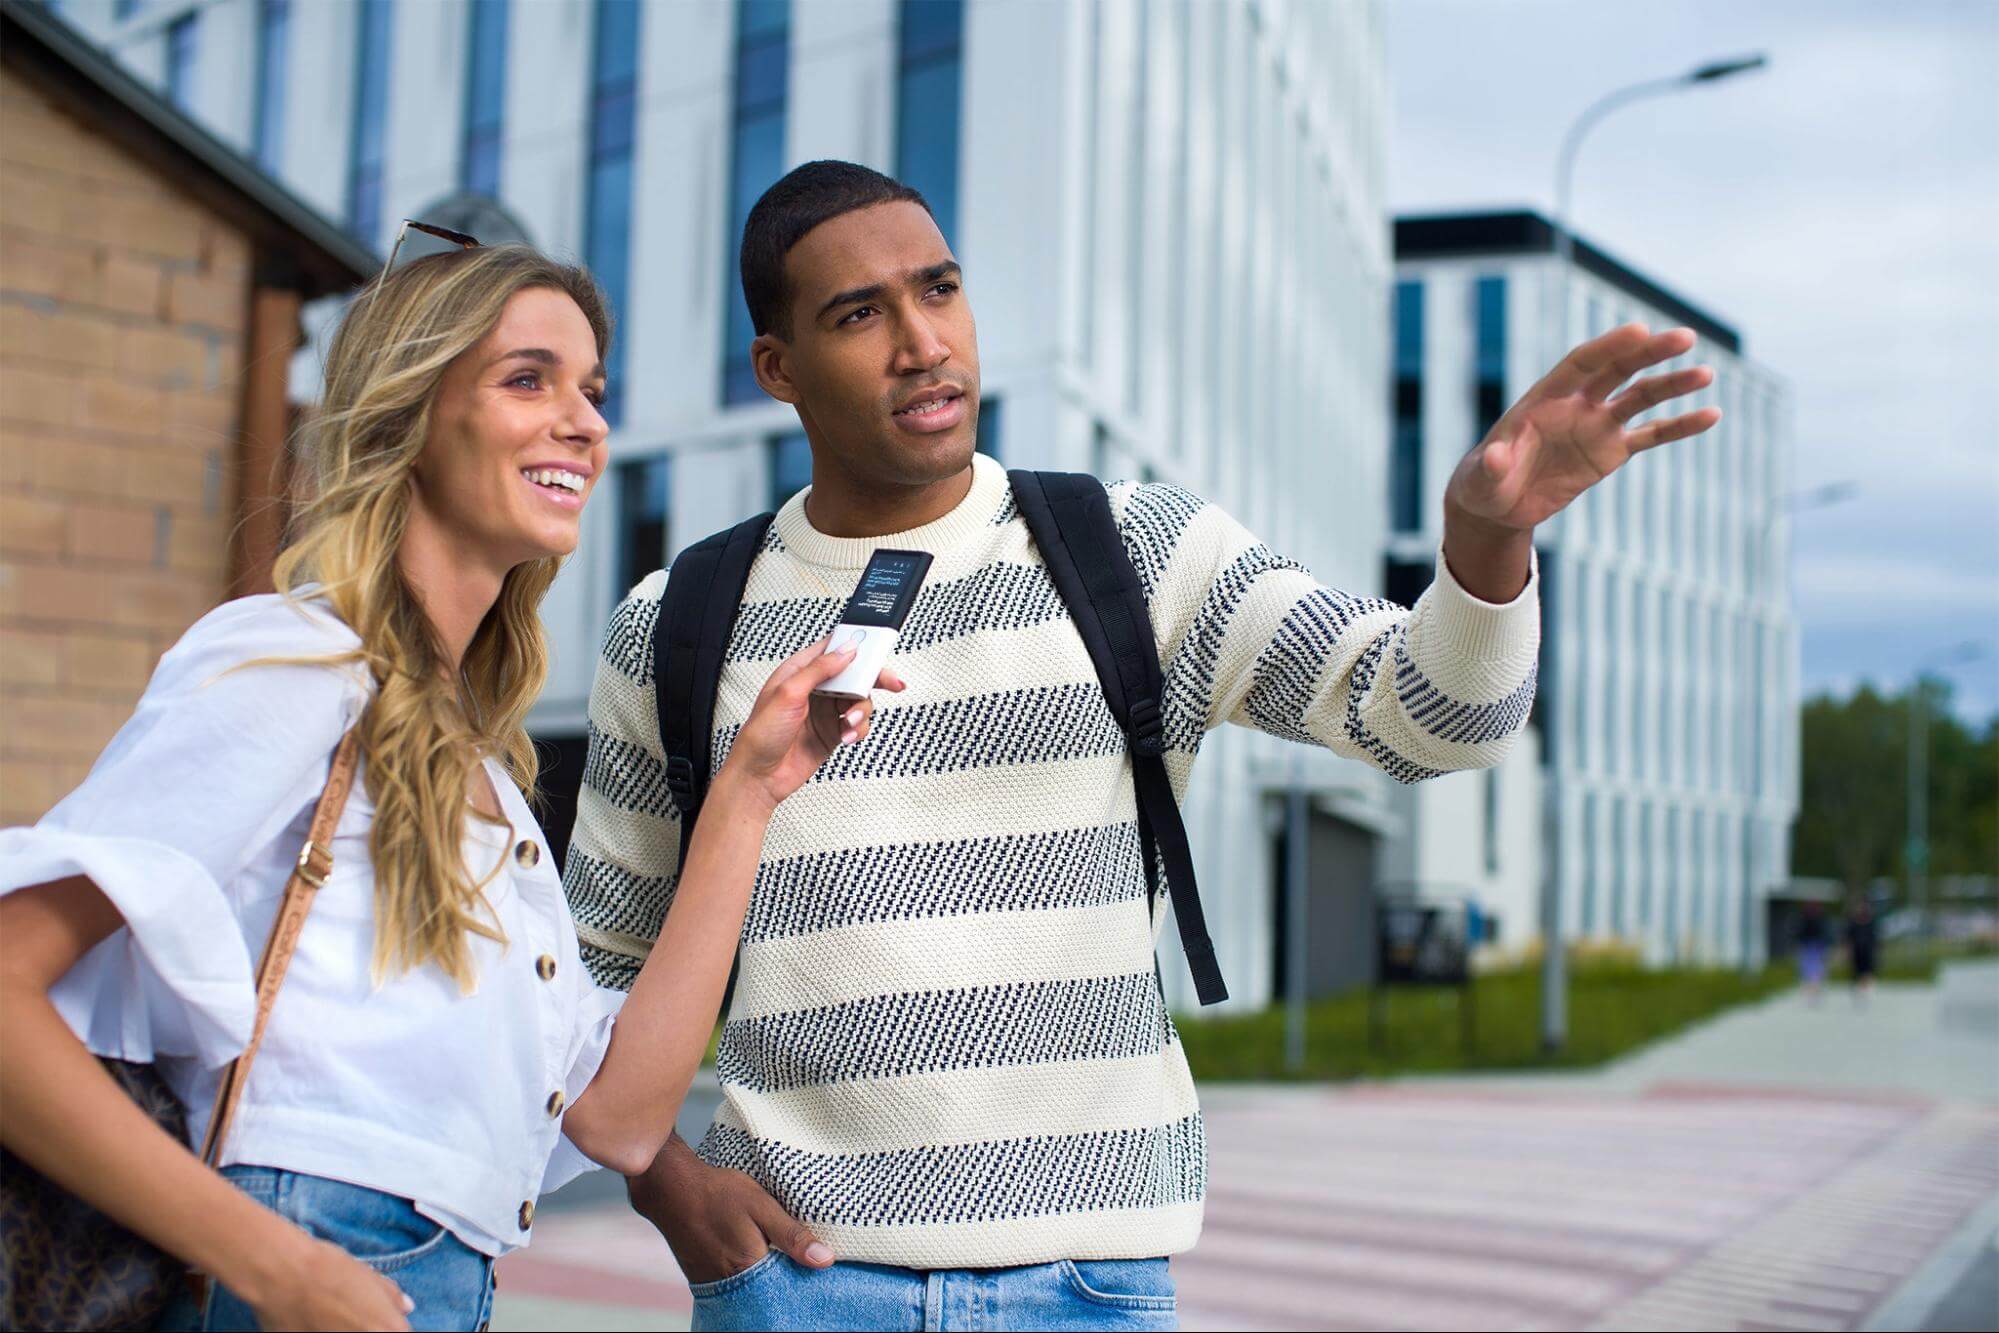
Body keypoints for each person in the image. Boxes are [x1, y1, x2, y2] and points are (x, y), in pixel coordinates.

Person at [562, 160, 1722, 1333]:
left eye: (940, 290)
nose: (922, 343)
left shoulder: (1135, 552)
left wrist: (1485, 541)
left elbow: (1431, 718)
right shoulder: (680, 622)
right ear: (777, 369)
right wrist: (674, 1192)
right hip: (801, 1287)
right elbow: (595, 976)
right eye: (859, 314)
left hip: (1090, 1287)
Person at [0, 243, 896, 1332]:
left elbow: (618, 1117)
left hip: (431, 1283)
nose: (586, 422)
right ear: (411, 415)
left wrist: (751, 790)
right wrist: (281, 1270)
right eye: (528, 379)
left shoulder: (483, 776)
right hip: (298, 1259)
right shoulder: (294, 664)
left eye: (592, 391)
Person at [1796, 901, 1832, 1003]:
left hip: (1814, 947)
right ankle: (1813, 991)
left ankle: (1812, 991)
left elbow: (1799, 934)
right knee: (1813, 970)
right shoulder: (1819, 919)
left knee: (1812, 969)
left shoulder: (1806, 919)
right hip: (1812, 947)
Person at [1846, 897, 1880, 1002]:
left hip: (1868, 951)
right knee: (1856, 973)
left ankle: (1865, 992)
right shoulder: (1853, 922)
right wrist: (1847, 951)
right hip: (1857, 951)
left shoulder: (1872, 922)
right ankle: (1858, 992)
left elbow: (1875, 938)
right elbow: (1848, 938)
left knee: (1867, 972)